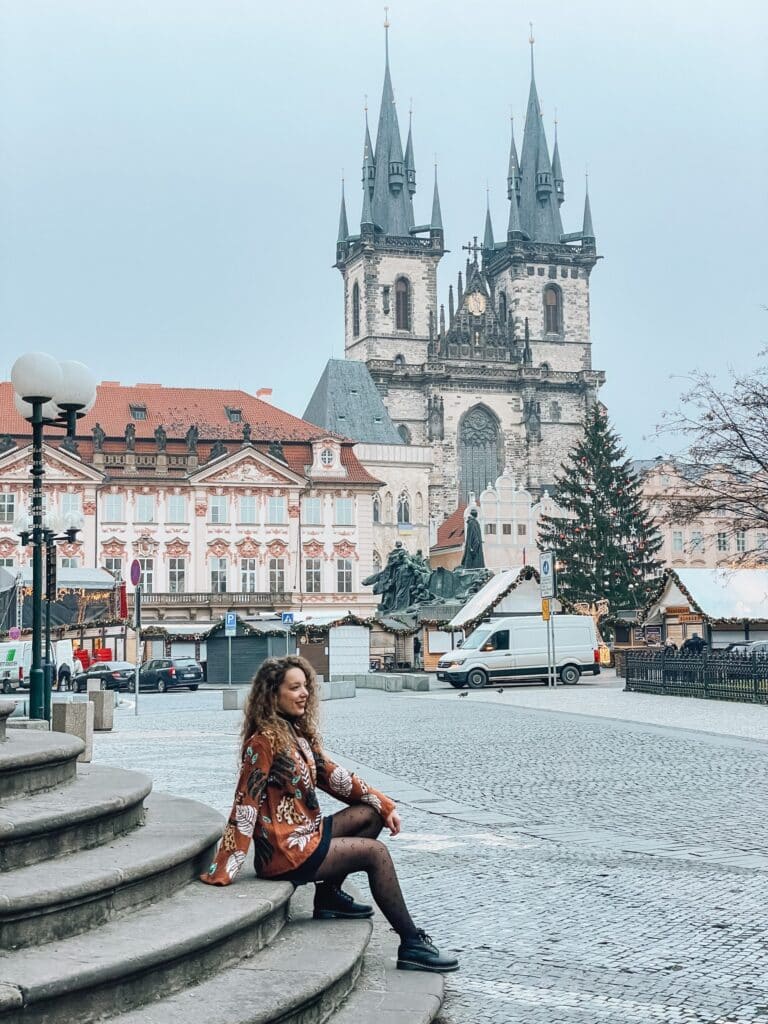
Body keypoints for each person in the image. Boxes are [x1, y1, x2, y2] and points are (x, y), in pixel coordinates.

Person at [201, 655, 458, 974]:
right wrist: (225, 866)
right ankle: (411, 944)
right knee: (375, 854)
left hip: (305, 836)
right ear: (272, 695)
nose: (304, 693)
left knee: (371, 815)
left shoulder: (296, 735)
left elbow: (335, 776)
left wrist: (385, 804)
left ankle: (329, 896)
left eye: (306, 686)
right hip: (285, 851)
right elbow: (245, 803)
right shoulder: (262, 743)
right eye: (294, 687)